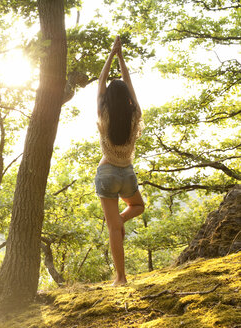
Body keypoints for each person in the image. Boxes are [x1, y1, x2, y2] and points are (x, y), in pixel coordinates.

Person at [95, 36, 145, 286]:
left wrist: (111, 56)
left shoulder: (103, 114)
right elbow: (130, 86)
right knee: (138, 206)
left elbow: (102, 82)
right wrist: (122, 58)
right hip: (127, 174)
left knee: (114, 227)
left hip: (106, 174)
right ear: (127, 98)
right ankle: (120, 219)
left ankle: (121, 278)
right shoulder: (135, 115)